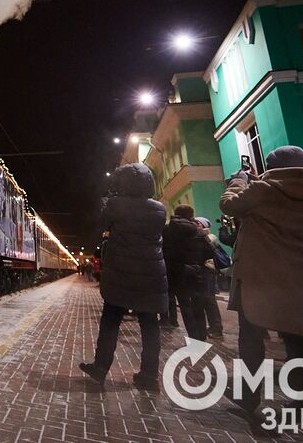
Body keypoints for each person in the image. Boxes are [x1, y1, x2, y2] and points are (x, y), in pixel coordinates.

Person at [219, 146, 303, 417]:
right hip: (294, 272)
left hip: (258, 274)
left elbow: (229, 204)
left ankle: (249, 396)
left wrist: (239, 181)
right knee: (296, 337)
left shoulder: (264, 190)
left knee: (251, 337)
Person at [80, 163, 167, 390]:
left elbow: (98, 228)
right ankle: (149, 375)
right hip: (151, 273)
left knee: (110, 321)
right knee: (150, 324)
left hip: (121, 272)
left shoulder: (116, 206)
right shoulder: (159, 208)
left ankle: (100, 368)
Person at [163, 205, 214, 341]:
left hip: (177, 272)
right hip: (197, 271)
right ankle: (201, 336)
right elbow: (210, 251)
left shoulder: (167, 230)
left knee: (185, 305)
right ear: (191, 215)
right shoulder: (198, 231)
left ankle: (193, 336)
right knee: (198, 304)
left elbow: (164, 251)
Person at [195, 217, 224, 339]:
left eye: (197, 223)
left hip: (208, 271)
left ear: (204, 225)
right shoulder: (201, 237)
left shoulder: (209, 237)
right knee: (206, 300)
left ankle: (216, 328)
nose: (195, 225)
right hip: (204, 271)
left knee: (210, 300)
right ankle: (212, 326)